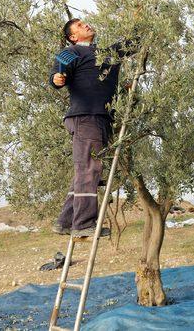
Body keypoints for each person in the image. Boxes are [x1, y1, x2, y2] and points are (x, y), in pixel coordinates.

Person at [49, 18, 136, 238]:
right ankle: (84, 225)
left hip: (100, 117)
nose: (85, 25)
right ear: (72, 37)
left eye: (85, 23)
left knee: (86, 170)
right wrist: (57, 79)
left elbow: (130, 45)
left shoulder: (106, 52)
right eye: (79, 26)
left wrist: (142, 16)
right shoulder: (71, 52)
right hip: (86, 116)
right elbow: (58, 71)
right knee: (89, 169)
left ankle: (66, 221)